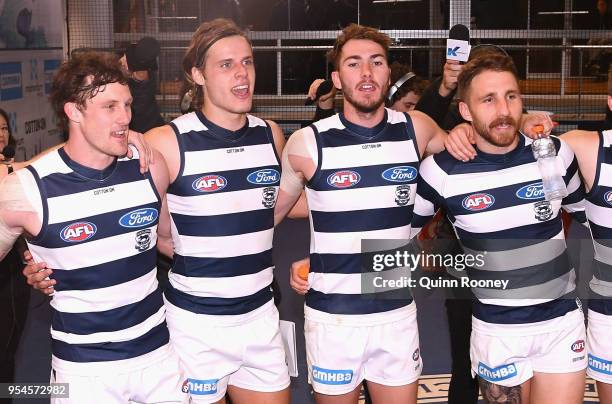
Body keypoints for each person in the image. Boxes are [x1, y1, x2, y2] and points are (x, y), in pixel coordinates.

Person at [276, 23, 453, 404]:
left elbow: (476, 144)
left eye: (376, 62)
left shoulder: (416, 129)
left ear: (388, 74)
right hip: (332, 319)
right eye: (354, 64)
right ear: (338, 79)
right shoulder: (307, 143)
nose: (367, 72)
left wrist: (522, 124)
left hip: (396, 314)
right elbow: (275, 213)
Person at [0, 51, 185, 403]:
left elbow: (169, 241)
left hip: (158, 358)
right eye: (110, 107)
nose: (126, 117)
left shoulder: (150, 167)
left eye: (127, 105)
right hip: (84, 371)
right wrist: (29, 253)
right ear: (74, 111)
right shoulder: (27, 191)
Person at [412, 52, 588, 403]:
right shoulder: (440, 172)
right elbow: (395, 231)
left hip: (561, 323)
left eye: (511, 96)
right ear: (466, 110)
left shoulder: (554, 153)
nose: (503, 110)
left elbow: (588, 212)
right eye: (488, 100)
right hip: (498, 330)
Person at [143, 19, 292, 404]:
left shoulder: (271, 134)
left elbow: (269, 213)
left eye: (248, 62)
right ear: (198, 75)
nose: (242, 73)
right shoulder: (167, 142)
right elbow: (147, 230)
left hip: (261, 319)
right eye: (226, 64)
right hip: (196, 327)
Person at [119, 36, 165, 133]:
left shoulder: (136, 94)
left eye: (124, 60)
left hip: (147, 133)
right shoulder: (146, 76)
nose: (121, 60)